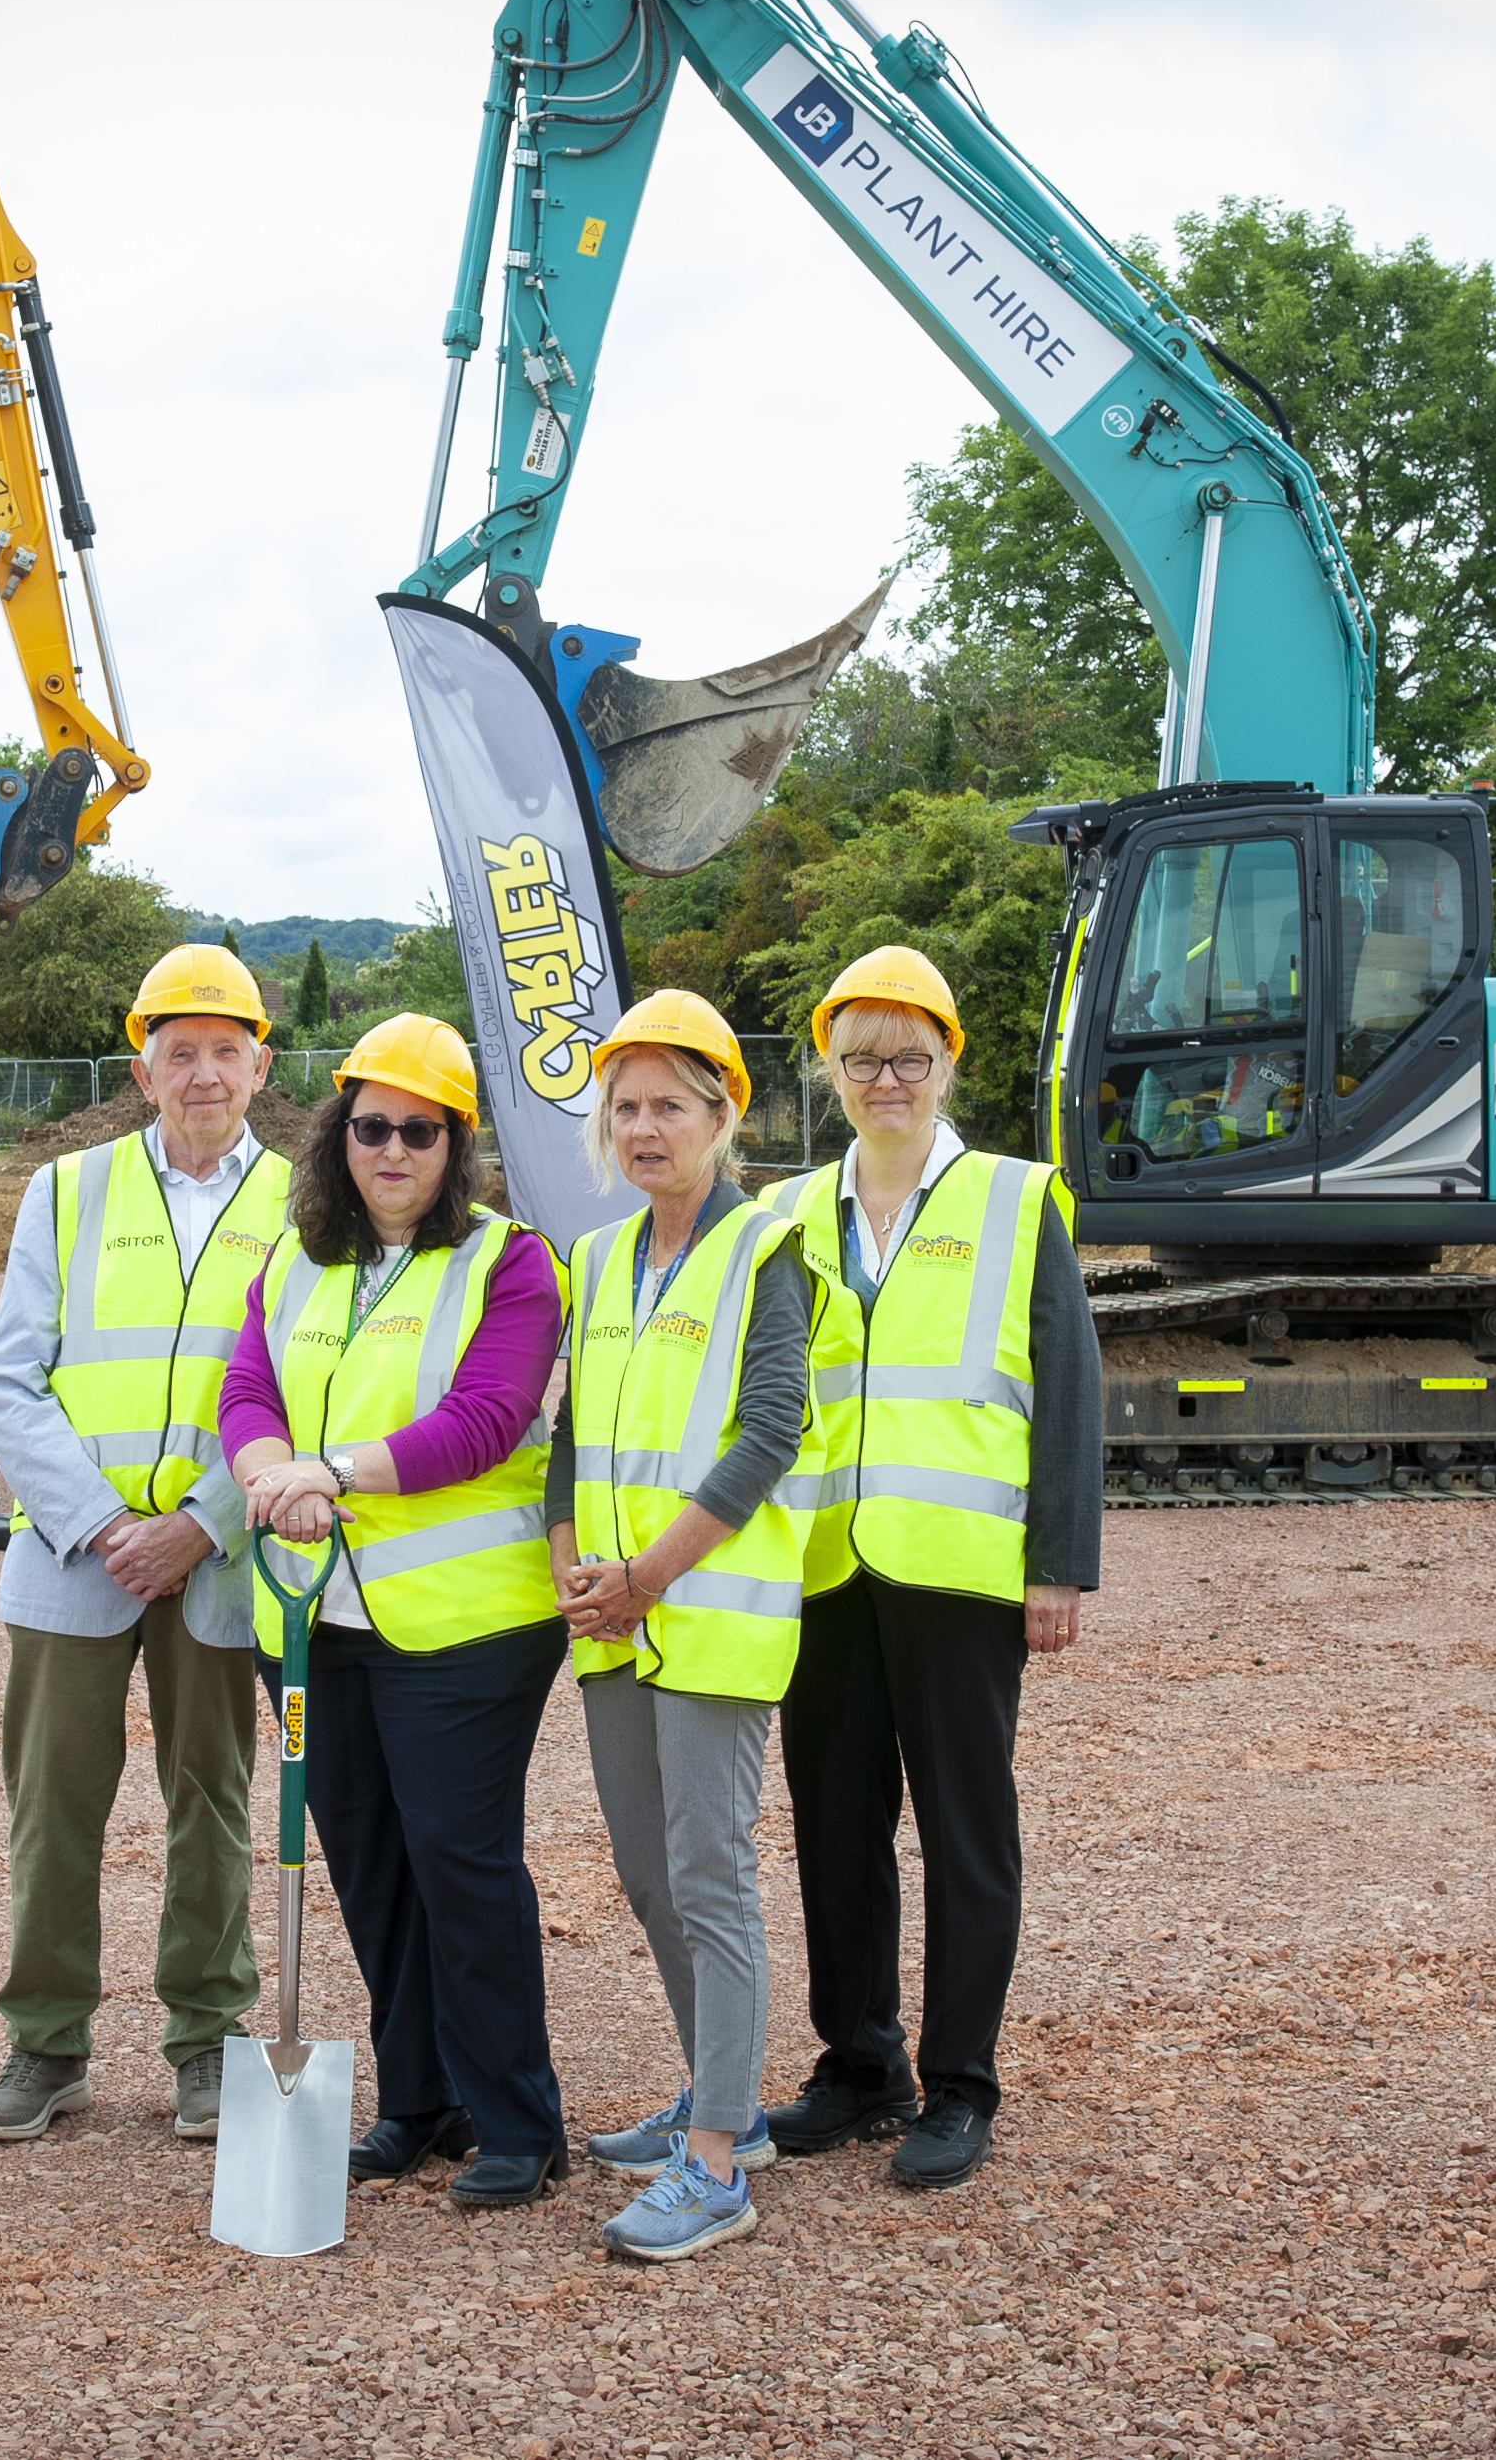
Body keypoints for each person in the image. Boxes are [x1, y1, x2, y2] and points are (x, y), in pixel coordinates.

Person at [756, 947, 1103, 2192]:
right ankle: (859, 2066)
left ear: (949, 1062)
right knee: (836, 1830)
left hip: (960, 1569)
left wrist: (1058, 1563)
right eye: (861, 1058)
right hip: (823, 1571)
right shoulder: (790, 1213)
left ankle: (960, 2083)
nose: (885, 1078)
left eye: (909, 1055)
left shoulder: (1016, 1199)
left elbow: (1066, 1390)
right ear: (830, 1070)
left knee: (966, 1831)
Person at [219, 1012, 572, 2209]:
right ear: (340, 1131)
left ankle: (520, 2120)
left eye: (420, 1131)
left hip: (464, 1629)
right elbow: (246, 1384)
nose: (393, 1149)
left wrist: (335, 1473)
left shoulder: (510, 1264)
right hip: (317, 1622)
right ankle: (423, 2102)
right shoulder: (296, 1256)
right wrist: (268, 1469)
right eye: (372, 1126)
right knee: (369, 1864)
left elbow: (485, 1416)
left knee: (461, 1866)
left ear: (454, 1144)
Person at [0, 942, 289, 2145]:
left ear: (262, 1065)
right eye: (180, 1053)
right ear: (143, 1069)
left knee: (213, 1797)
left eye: (225, 1052)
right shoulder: (67, 1191)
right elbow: (13, 1374)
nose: (204, 1074)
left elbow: (302, 1393)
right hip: (74, 1554)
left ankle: (207, 2041)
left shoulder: (305, 1210)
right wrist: (108, 1524)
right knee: (53, 1806)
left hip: (219, 1554)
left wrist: (199, 1523)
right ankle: (46, 2046)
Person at [549, 990, 813, 2264]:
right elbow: (570, 1436)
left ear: (722, 1116)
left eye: (670, 1105)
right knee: (652, 1878)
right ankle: (725, 2103)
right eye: (627, 1106)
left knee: (712, 1880)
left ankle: (716, 2163)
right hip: (610, 1617)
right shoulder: (597, 1259)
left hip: (701, 1612)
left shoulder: (767, 1249)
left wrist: (644, 1575)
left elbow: (770, 1431)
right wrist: (573, 1571)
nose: (644, 1127)